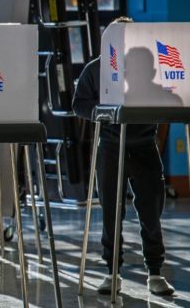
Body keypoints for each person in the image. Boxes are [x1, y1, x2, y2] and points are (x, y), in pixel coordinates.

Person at [72, 16, 175, 296]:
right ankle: (112, 272)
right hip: (110, 146)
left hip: (144, 146)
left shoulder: (150, 67)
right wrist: (105, 113)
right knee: (110, 213)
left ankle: (154, 273)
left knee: (151, 211)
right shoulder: (97, 68)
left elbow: (172, 99)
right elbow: (79, 104)